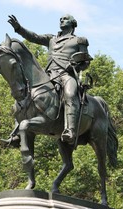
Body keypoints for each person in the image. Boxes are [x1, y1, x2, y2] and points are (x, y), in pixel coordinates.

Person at [7, 14, 92, 144]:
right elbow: (33, 37)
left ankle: (70, 130)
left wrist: (75, 66)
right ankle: (17, 133)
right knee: (25, 93)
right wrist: (19, 28)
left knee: (69, 94)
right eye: (61, 19)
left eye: (65, 19)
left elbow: (86, 62)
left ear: (73, 23)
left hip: (66, 74)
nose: (62, 20)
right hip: (49, 75)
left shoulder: (79, 40)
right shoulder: (51, 39)